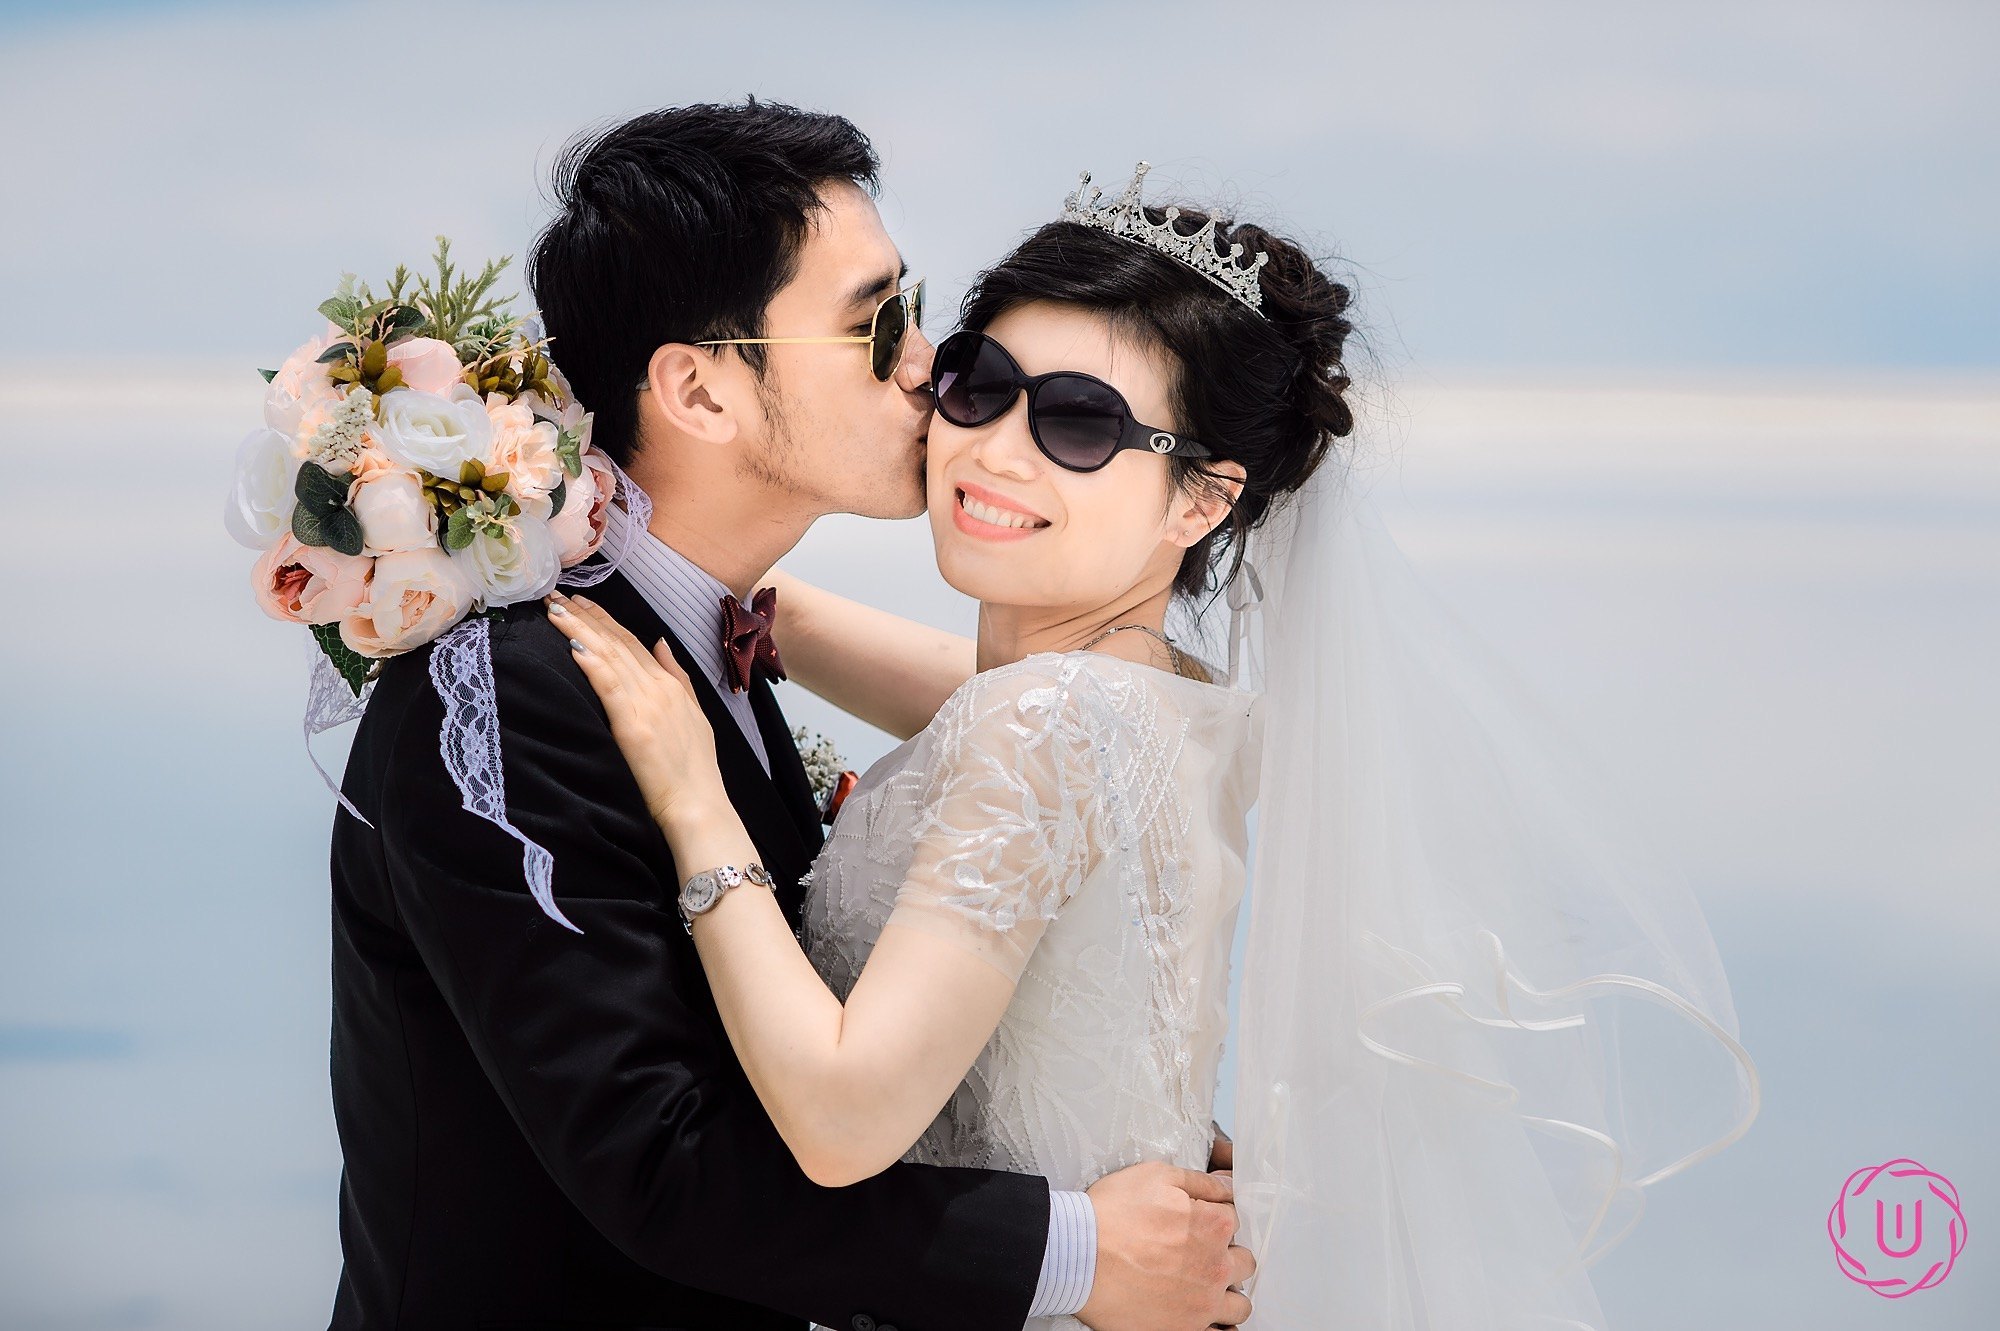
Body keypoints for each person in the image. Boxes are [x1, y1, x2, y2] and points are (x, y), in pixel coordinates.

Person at [555, 158, 1763, 1330]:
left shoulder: (1044, 724)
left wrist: (693, 796)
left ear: (1200, 498)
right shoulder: (1166, 701)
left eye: (1080, 425)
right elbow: (973, 702)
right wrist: (715, 584)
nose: (995, 447)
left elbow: (839, 1118)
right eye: (977, 383)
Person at [326, 105, 1247, 1331]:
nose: (925, 364)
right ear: (700, 390)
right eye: (872, 325)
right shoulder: (518, 688)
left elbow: (1078, 734)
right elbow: (660, 1159)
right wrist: (1080, 1247)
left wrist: (1111, 1096)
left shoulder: (721, 640)